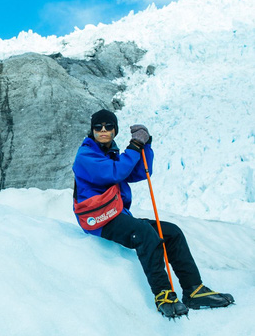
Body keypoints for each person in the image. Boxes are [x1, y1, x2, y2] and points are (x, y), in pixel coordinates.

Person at [72, 109, 234, 318]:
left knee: (171, 232)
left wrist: (144, 145)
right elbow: (116, 172)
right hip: (97, 218)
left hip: (114, 213)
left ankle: (194, 290)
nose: (103, 130)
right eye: (98, 127)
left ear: (115, 130)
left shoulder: (109, 153)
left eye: (108, 126)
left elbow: (139, 171)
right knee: (145, 234)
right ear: (92, 130)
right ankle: (163, 295)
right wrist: (134, 146)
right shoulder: (86, 154)